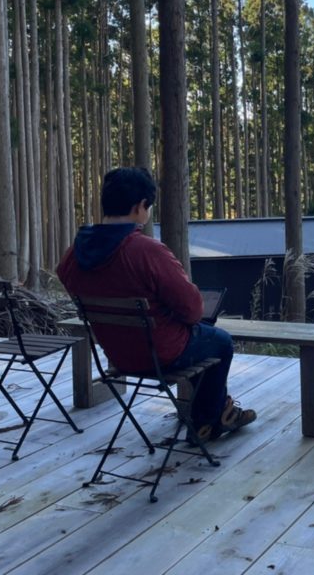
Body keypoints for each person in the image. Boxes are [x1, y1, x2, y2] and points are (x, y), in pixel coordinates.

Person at [57, 166, 255, 442]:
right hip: (161, 354)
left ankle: (220, 412)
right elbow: (193, 310)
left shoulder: (72, 256)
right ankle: (207, 421)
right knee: (219, 341)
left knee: (203, 339)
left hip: (117, 356)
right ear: (140, 207)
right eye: (148, 207)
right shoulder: (146, 251)